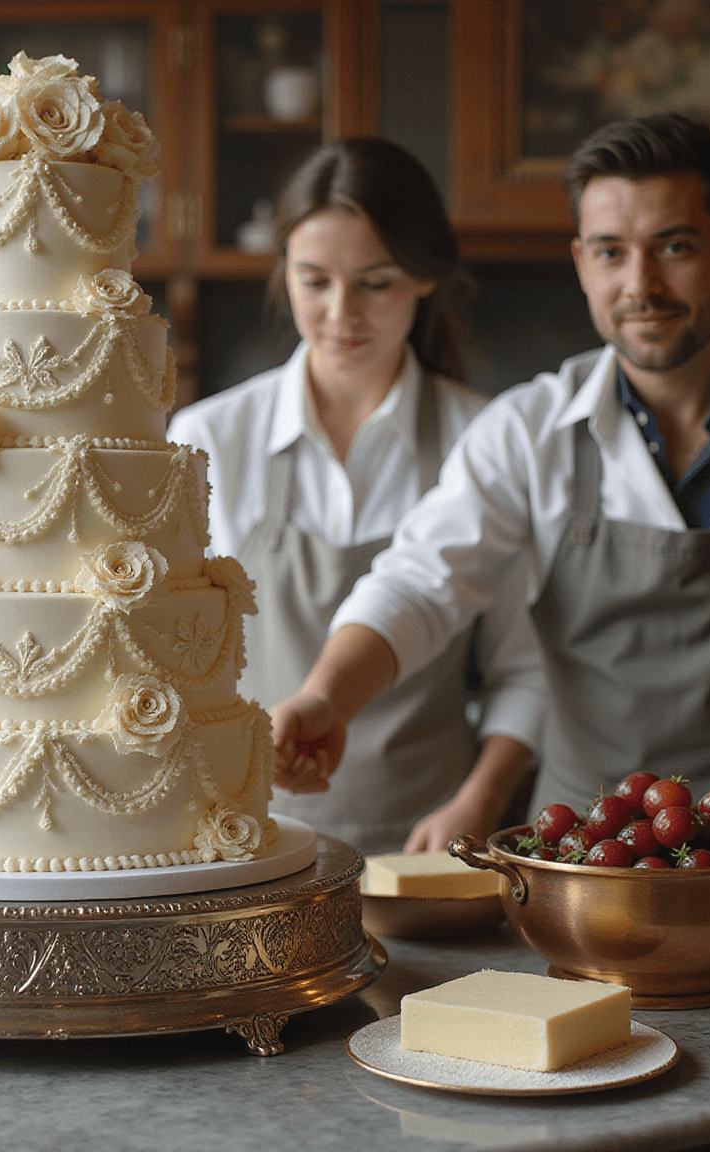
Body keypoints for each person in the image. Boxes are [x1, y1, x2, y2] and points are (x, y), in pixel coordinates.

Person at [267, 113, 710, 958]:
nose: (641, 284)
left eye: (675, 246)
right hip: (583, 885)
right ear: (581, 261)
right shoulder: (530, 429)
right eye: (611, 252)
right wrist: (329, 694)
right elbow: (418, 583)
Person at [168, 138, 545, 856]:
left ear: (425, 278)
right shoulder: (210, 438)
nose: (342, 313)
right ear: (283, 271)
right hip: (248, 839)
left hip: (431, 843)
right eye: (315, 281)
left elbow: (523, 669)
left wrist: (482, 799)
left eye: (376, 283)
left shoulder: (487, 438)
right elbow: (178, 666)